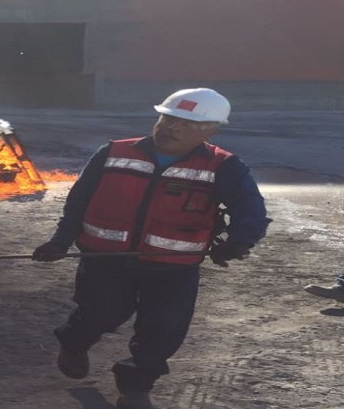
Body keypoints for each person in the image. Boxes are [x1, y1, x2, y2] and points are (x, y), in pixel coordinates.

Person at [31, 88, 271, 409]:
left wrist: (239, 242)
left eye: (187, 123)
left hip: (174, 267)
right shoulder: (114, 152)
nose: (172, 127)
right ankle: (74, 343)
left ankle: (136, 386)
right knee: (100, 313)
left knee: (163, 331)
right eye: (167, 118)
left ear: (211, 130)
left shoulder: (224, 166)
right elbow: (78, 202)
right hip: (106, 258)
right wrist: (60, 241)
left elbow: (251, 209)